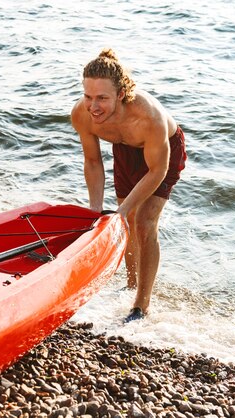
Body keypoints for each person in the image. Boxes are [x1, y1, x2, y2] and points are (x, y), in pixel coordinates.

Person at [71, 48, 187, 322]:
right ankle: (130, 284)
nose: (93, 106)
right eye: (88, 96)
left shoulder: (148, 118)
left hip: (164, 152)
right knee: (125, 220)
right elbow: (93, 162)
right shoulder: (82, 114)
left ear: (121, 95)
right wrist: (95, 210)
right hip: (124, 149)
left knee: (143, 221)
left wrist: (121, 210)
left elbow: (158, 170)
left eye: (102, 98)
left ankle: (140, 306)